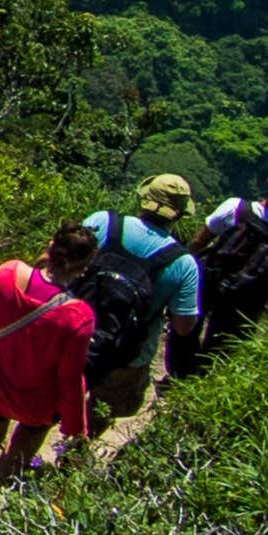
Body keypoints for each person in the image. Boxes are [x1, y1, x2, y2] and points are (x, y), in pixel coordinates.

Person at [0, 224, 101, 515]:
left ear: (49, 247)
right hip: (36, 403)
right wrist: (75, 427)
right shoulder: (79, 316)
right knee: (21, 451)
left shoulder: (8, 274)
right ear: (82, 268)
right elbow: (69, 378)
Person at [74, 176, 203, 420]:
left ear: (143, 199)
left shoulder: (103, 222)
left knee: (45, 406)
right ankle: (75, 455)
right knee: (103, 413)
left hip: (74, 329)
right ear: (180, 214)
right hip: (127, 354)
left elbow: (64, 262)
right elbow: (183, 327)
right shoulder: (183, 263)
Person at [168, 166, 268, 382]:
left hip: (208, 280)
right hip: (246, 299)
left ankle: (179, 376)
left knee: (185, 331)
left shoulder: (234, 207)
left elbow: (199, 242)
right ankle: (203, 387)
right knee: (223, 350)